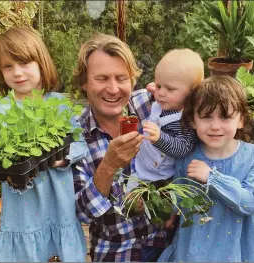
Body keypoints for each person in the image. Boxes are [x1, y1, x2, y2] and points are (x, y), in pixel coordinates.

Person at [0, 27, 88, 262]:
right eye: (8, 66)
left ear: (41, 63)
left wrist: (63, 157)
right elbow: (0, 156)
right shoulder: (2, 109)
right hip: (22, 205)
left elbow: (81, 144)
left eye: (24, 62)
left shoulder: (58, 104)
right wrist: (11, 173)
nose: (17, 73)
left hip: (57, 201)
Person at [72, 34, 167, 262]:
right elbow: (83, 213)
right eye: (102, 78)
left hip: (167, 241)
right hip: (116, 251)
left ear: (133, 80)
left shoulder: (151, 105)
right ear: (85, 82)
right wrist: (108, 166)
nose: (113, 89)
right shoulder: (76, 134)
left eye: (121, 78)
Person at [158, 76, 254, 262]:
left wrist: (212, 178)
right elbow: (178, 188)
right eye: (206, 116)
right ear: (193, 120)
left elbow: (251, 202)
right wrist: (171, 212)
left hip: (232, 252)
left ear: (241, 119)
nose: (215, 126)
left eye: (225, 117)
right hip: (191, 249)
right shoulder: (188, 155)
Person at [127, 49, 203, 192]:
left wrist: (160, 138)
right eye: (159, 86)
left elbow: (184, 148)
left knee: (154, 205)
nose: (161, 93)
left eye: (170, 89)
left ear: (192, 92)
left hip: (162, 178)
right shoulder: (158, 105)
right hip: (141, 166)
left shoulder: (186, 119)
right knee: (127, 196)